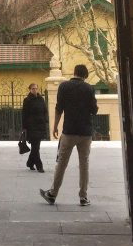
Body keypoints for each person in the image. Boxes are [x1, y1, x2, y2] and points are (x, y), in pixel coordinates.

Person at [40, 64, 98, 206]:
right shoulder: (89, 88)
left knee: (62, 163)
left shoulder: (64, 87)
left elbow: (59, 108)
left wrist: (54, 126)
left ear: (74, 72)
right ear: (85, 75)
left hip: (69, 131)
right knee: (84, 164)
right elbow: (94, 110)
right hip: (85, 132)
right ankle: (83, 197)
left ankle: (53, 194)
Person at [21, 82, 49, 172]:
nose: (35, 90)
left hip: (40, 126)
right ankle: (39, 166)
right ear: (30, 89)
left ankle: (30, 163)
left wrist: (45, 120)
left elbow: (45, 110)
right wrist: (24, 127)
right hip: (31, 126)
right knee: (36, 147)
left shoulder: (41, 99)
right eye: (33, 88)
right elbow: (24, 114)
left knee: (36, 147)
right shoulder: (27, 100)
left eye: (36, 88)